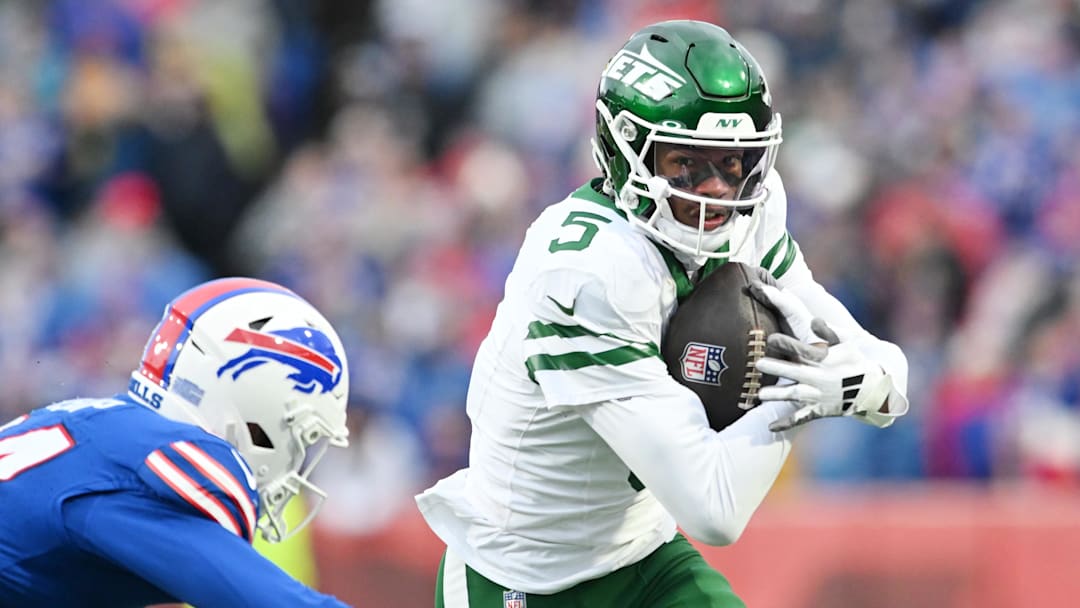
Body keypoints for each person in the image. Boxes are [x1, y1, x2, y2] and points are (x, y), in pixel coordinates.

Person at [415, 20, 910, 608]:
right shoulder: (589, 272)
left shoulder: (750, 214)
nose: (718, 192)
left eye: (733, 163)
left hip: (643, 554)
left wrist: (864, 379)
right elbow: (714, 508)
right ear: (625, 153)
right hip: (524, 578)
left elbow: (875, 369)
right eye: (687, 163)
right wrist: (800, 392)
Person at [0, 277, 354, 608]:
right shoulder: (150, 466)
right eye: (301, 438)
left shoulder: (93, 426)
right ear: (256, 412)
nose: (297, 463)